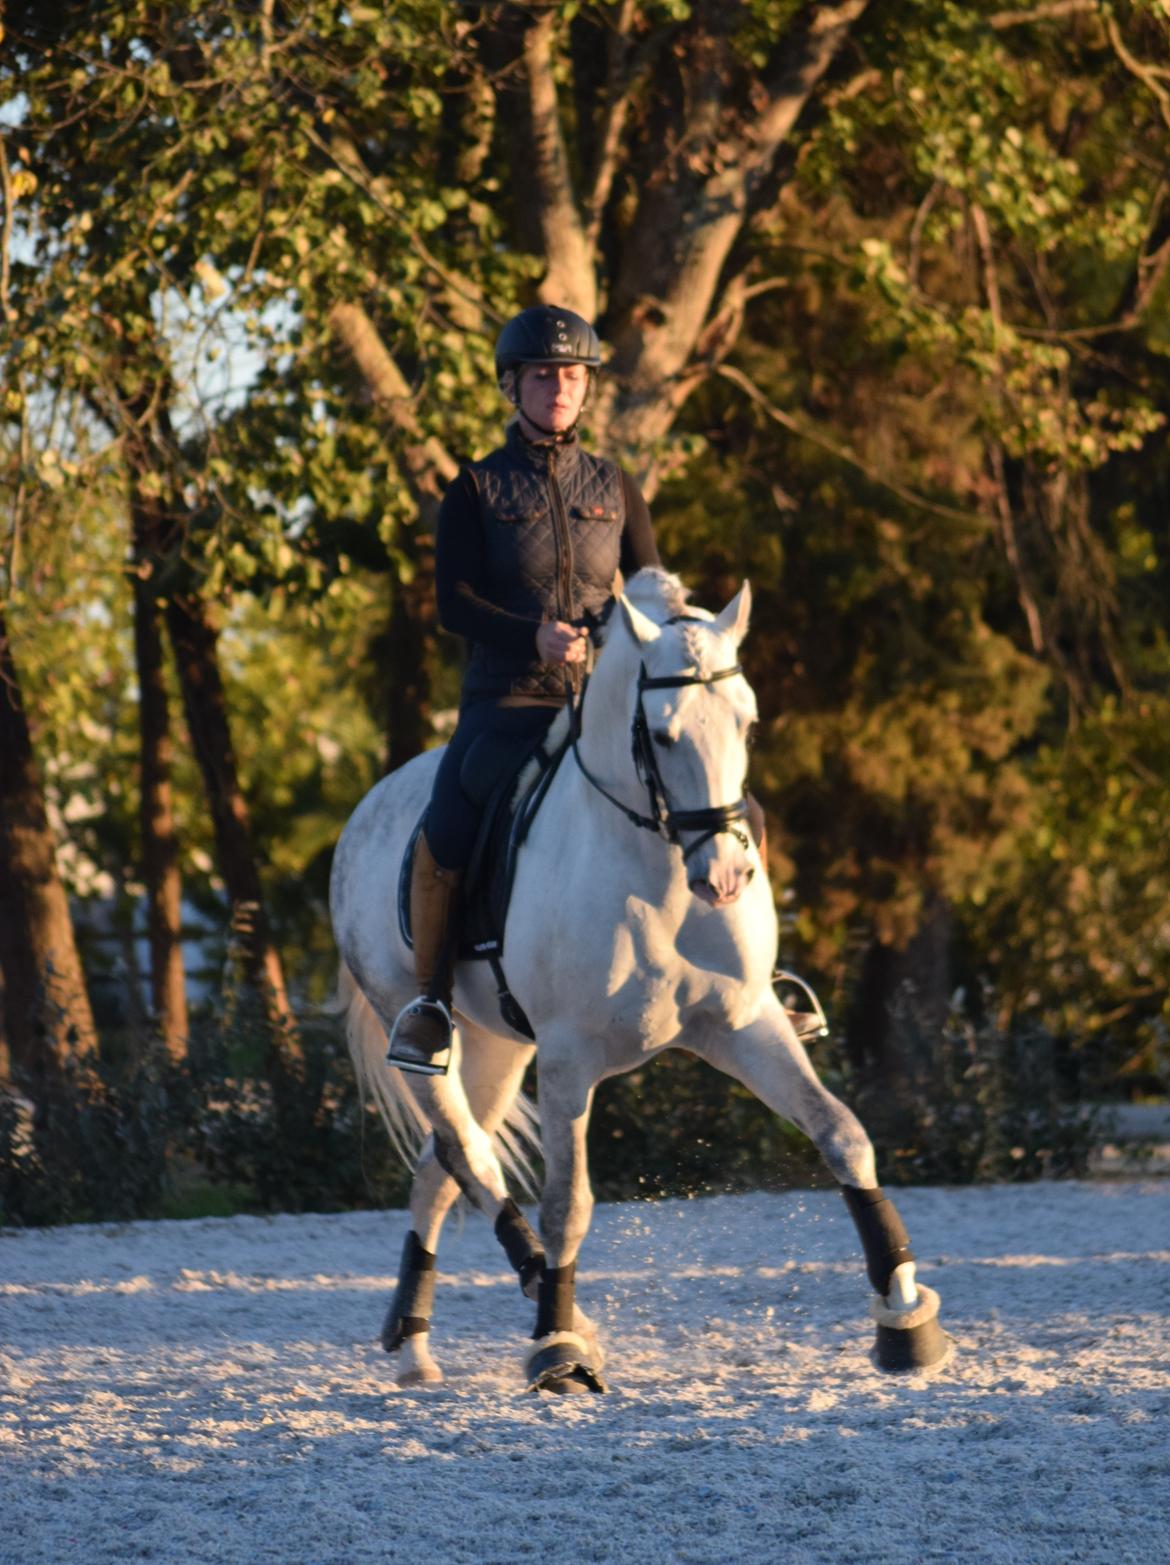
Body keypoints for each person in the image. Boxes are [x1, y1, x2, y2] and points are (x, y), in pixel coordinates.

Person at [387, 305, 661, 1074]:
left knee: (719, 788)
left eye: (572, 376)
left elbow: (652, 589)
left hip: (604, 704)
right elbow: (453, 603)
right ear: (514, 386)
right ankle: (432, 1003)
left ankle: (755, 974)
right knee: (446, 827)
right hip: (508, 701)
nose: (560, 388)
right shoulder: (474, 488)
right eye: (544, 376)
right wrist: (530, 633)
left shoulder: (617, 485)